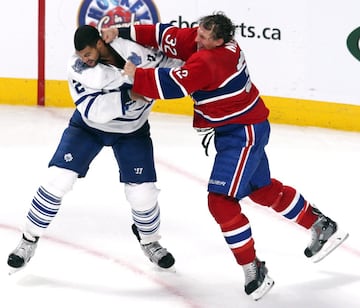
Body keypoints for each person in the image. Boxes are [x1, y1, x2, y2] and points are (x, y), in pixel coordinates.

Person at [101, 12, 349, 300]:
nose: (198, 39)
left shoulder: (213, 60)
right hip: (242, 127)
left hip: (242, 134)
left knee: (220, 201)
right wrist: (119, 31)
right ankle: (320, 224)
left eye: (205, 38)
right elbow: (163, 35)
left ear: (220, 41)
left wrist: (136, 75)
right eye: (198, 33)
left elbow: (173, 85)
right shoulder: (203, 44)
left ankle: (253, 268)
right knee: (261, 190)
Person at [7, 24, 181, 273]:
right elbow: (94, 111)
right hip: (88, 127)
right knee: (58, 178)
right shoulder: (78, 69)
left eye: (87, 54)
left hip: (132, 131)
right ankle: (28, 239)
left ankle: (150, 241)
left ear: (100, 44)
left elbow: (175, 67)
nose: (84, 60)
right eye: (80, 56)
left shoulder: (140, 53)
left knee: (143, 194)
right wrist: (131, 94)